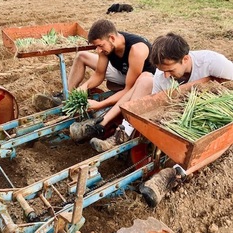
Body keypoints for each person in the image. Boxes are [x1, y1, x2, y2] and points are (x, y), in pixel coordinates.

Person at [89, 32, 233, 152]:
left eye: (170, 70)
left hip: (215, 113)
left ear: (185, 59)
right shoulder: (160, 75)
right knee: (146, 80)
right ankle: (124, 132)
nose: (166, 76)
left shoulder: (213, 63)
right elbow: (156, 106)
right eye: (163, 71)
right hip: (182, 114)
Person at [68, 19, 156, 145]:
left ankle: (116, 131)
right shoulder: (108, 45)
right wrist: (84, 86)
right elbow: (99, 74)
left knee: (140, 81)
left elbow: (127, 89)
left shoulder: (136, 49)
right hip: (124, 72)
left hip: (144, 80)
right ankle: (69, 98)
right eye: (96, 46)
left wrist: (100, 104)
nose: (98, 50)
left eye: (100, 45)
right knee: (82, 56)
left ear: (112, 38)